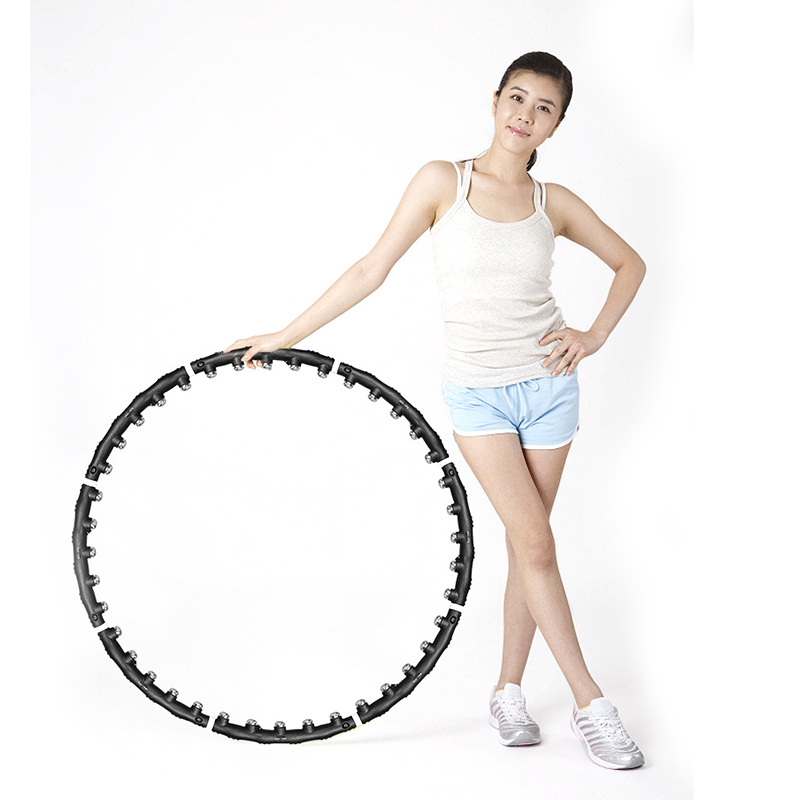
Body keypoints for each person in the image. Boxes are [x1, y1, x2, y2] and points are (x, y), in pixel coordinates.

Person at [223, 51, 646, 770]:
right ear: (495, 100)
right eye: (517, 98)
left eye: (544, 108)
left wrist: (594, 335)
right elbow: (370, 269)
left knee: (529, 546)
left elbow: (630, 263)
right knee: (537, 545)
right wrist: (283, 335)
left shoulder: (555, 202)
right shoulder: (442, 182)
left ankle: (508, 692)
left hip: (549, 389)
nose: (525, 115)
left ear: (556, 125)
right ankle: (591, 704)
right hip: (478, 393)